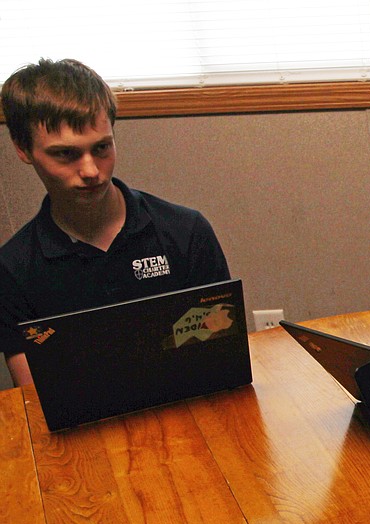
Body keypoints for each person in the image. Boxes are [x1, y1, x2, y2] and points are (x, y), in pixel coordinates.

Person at [0, 58, 230, 387]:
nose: (92, 170)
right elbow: (35, 403)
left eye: (102, 147)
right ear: (23, 149)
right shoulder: (12, 270)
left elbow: (223, 352)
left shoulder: (186, 232)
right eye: (66, 154)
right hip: (82, 433)